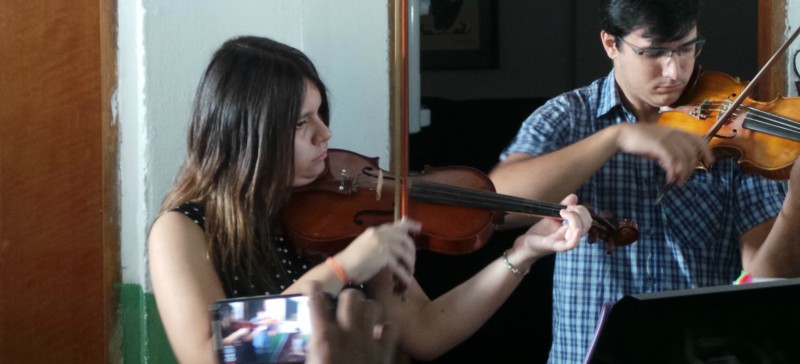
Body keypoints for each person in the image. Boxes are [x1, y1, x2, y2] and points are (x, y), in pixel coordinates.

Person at [488, 0, 800, 363]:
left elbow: (771, 276)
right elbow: (497, 207)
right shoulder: (568, 117)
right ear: (611, 43)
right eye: (654, 52)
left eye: (687, 48)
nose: (674, 71)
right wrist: (615, 137)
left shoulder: (734, 122)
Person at [147, 35, 593, 364]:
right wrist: (341, 270)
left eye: (321, 114)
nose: (326, 134)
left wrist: (523, 253)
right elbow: (209, 356)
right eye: (303, 123)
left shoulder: (340, 211)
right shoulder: (183, 230)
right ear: (250, 135)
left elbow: (425, 330)